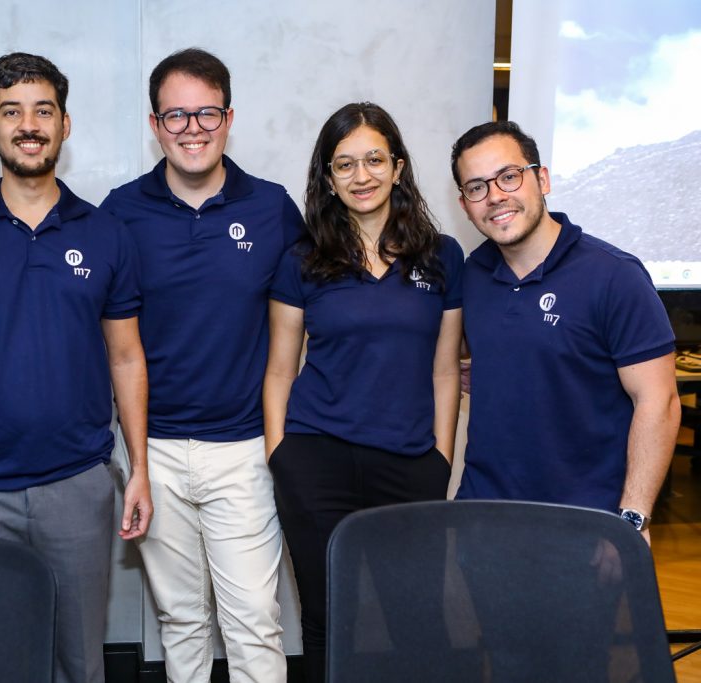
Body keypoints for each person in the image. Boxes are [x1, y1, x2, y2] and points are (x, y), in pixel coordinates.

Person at [0, 52, 151, 683]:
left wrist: (139, 470)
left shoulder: (104, 232)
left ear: (65, 124)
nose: (29, 125)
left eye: (43, 110)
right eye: (11, 112)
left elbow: (126, 355)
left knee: (80, 662)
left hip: (77, 484)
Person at [100, 48, 301, 683]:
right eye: (177, 115)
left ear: (229, 117)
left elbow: (321, 309)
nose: (193, 128)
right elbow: (85, 320)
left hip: (243, 452)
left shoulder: (272, 210)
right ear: (155, 125)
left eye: (206, 113)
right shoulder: (120, 212)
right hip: (151, 452)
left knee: (254, 624)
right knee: (180, 622)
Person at [263, 102, 464, 682]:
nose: (362, 175)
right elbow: (279, 369)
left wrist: (440, 459)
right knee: (328, 621)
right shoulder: (302, 259)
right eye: (344, 164)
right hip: (316, 461)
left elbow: (445, 370)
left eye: (375, 159)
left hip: (408, 464)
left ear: (398, 167)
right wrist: (283, 454)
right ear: (328, 178)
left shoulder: (442, 257)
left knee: (417, 620)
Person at [451, 120, 680, 537]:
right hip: (484, 518)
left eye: (508, 176)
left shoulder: (614, 276)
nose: (495, 195)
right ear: (465, 204)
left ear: (541, 179)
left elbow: (659, 401)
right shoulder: (472, 275)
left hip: (588, 524)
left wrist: (632, 519)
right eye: (477, 187)